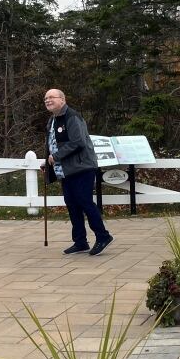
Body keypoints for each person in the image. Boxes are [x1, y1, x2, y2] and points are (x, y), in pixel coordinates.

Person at [43, 89, 113, 256]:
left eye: (51, 97)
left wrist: (57, 157)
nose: (47, 100)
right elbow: (53, 145)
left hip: (82, 168)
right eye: (45, 98)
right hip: (66, 170)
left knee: (84, 202)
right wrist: (47, 161)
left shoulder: (72, 117)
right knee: (72, 205)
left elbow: (78, 142)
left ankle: (103, 236)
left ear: (62, 99)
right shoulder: (52, 121)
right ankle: (80, 242)